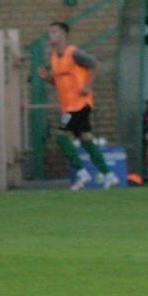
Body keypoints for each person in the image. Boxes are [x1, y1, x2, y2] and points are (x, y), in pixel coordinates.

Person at [38, 21, 118, 190]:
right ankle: (109, 175)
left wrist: (88, 87)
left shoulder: (74, 53)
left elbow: (96, 65)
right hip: (68, 105)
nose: (50, 35)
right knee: (86, 139)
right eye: (49, 32)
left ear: (64, 35)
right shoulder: (54, 57)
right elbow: (59, 82)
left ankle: (82, 173)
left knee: (60, 136)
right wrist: (47, 78)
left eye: (54, 32)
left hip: (79, 104)